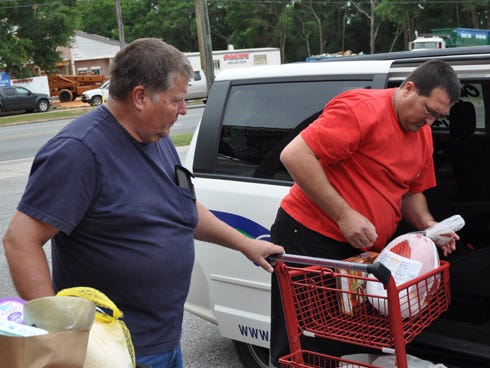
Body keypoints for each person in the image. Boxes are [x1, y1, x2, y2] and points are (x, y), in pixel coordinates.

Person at [2, 38, 284, 368]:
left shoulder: (155, 137)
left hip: (164, 338)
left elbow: (182, 208)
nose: (183, 110)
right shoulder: (79, 151)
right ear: (140, 97)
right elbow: (20, 240)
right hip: (110, 349)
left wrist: (244, 243)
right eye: (176, 100)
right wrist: (58, 337)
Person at [269, 59, 462, 365]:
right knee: (306, 339)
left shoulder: (421, 136)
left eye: (438, 118)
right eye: (428, 111)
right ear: (408, 88)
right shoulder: (363, 110)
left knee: (347, 337)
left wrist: (429, 225)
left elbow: (411, 192)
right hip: (310, 235)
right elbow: (294, 155)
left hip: (361, 251)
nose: (429, 122)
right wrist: (345, 214)